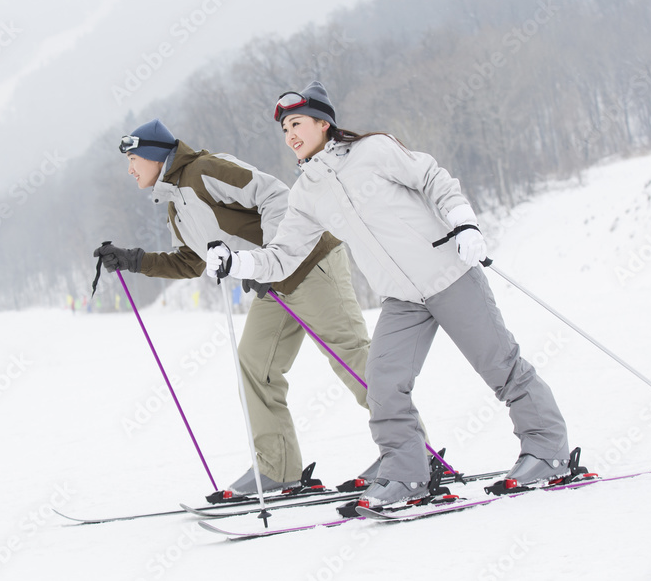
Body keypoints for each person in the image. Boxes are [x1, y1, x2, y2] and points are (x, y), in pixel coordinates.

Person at [206, 81, 570, 508]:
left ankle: (548, 453)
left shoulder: (374, 150)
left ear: (324, 124)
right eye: (285, 129)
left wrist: (463, 221)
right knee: (382, 387)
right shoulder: (308, 193)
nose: (290, 135)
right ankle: (407, 476)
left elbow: (431, 176)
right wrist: (238, 263)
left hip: (448, 274)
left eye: (297, 124)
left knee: (501, 367)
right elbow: (284, 255)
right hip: (401, 299)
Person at [94, 118, 383, 496]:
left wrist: (270, 256)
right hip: (271, 285)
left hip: (310, 263)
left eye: (133, 158)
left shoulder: (203, 170)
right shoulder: (176, 205)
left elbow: (276, 196)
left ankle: (407, 451)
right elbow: (191, 262)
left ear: (152, 154)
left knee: (350, 356)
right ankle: (279, 469)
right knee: (255, 365)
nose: (130, 169)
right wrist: (136, 261)